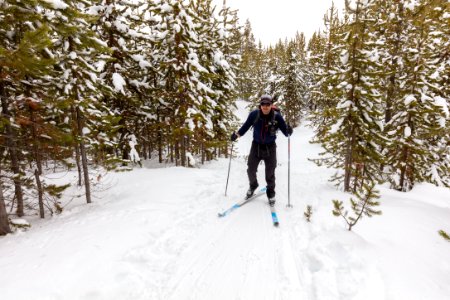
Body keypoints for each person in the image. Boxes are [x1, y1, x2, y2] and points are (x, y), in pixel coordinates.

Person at [230, 95, 293, 206]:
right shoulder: (254, 114)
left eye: (267, 104)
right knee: (251, 169)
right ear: (260, 105)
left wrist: (289, 130)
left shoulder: (277, 117)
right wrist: (236, 135)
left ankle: (271, 192)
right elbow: (245, 127)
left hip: (270, 147)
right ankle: (253, 185)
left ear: (271, 105)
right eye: (263, 104)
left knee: (270, 172)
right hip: (256, 146)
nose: (265, 106)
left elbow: (286, 132)